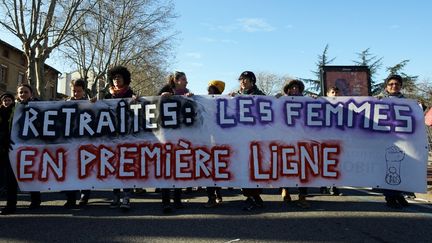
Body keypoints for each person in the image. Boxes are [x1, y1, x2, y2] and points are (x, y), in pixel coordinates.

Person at [230, 71, 266, 211]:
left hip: (256, 138)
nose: (243, 82)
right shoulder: (235, 95)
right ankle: (250, 196)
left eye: (245, 79)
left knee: (255, 167)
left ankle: (255, 196)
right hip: (240, 138)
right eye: (241, 80)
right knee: (243, 168)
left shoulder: (260, 95)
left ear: (252, 81)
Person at [157, 71, 192, 213]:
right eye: (184, 79)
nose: (186, 82)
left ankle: (177, 199)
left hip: (181, 136)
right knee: (166, 169)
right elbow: (154, 105)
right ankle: (166, 201)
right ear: (176, 80)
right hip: (166, 135)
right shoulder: (165, 90)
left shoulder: (188, 93)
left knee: (178, 168)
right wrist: (162, 98)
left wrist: (191, 98)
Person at [375, 74, 410, 208]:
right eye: (391, 84)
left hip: (402, 140)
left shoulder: (407, 102)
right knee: (388, 168)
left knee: (401, 168)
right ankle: (390, 197)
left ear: (401, 86)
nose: (394, 86)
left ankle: (398, 194)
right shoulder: (380, 99)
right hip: (384, 140)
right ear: (386, 87)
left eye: (397, 84)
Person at [105, 66, 134, 211]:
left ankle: (126, 196)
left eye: (119, 77)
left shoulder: (130, 93)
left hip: (127, 135)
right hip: (112, 135)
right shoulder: (107, 94)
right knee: (114, 164)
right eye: (114, 78)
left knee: (126, 165)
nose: (116, 80)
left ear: (125, 79)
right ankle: (115, 194)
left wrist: (137, 101)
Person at [280, 79, 310, 209]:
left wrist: (315, 99)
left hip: (302, 139)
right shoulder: (281, 101)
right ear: (287, 89)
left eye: (296, 88)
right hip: (286, 140)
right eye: (292, 88)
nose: (294, 90)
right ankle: (285, 189)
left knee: (304, 168)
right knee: (286, 165)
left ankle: (302, 195)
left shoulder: (306, 101)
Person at [63, 79, 91, 208]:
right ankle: (71, 198)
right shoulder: (65, 104)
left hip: (85, 141)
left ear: (83, 91)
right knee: (70, 170)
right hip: (70, 143)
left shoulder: (90, 103)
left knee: (84, 168)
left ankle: (85, 194)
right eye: (73, 90)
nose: (75, 93)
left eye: (78, 91)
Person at [204, 80, 225, 208]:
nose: (209, 92)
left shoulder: (225, 102)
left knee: (217, 170)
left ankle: (217, 193)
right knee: (210, 170)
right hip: (207, 141)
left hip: (220, 142)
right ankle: (212, 196)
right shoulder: (203, 101)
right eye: (209, 90)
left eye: (212, 90)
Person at [319, 87, 342, 196]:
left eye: (337, 92)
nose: (335, 94)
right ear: (327, 94)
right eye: (332, 92)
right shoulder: (321, 104)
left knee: (335, 162)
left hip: (338, 139)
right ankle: (326, 185)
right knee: (325, 162)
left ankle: (332, 185)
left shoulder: (345, 106)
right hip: (324, 138)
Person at [0, 93, 16, 215]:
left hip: (12, 147)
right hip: (1, 147)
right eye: (5, 100)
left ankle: (11, 204)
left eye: (9, 100)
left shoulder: (17, 111)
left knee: (10, 178)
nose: (7, 102)